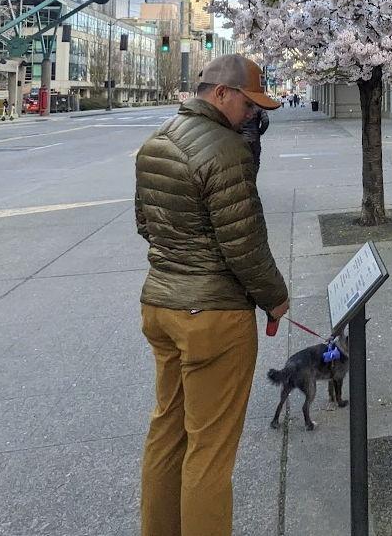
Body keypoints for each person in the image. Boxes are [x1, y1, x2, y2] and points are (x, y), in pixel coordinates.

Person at [135, 54, 288, 536]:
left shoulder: (156, 142)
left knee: (167, 432)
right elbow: (245, 244)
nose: (252, 114)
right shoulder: (226, 150)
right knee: (210, 449)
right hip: (214, 317)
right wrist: (275, 298)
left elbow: (145, 224)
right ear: (221, 92)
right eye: (248, 103)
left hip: (160, 306)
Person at [240, 101, 270, 170]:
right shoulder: (258, 106)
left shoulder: (238, 105)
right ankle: (253, 175)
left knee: (241, 161)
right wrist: (260, 131)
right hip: (254, 138)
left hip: (240, 138)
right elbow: (265, 120)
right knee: (255, 161)